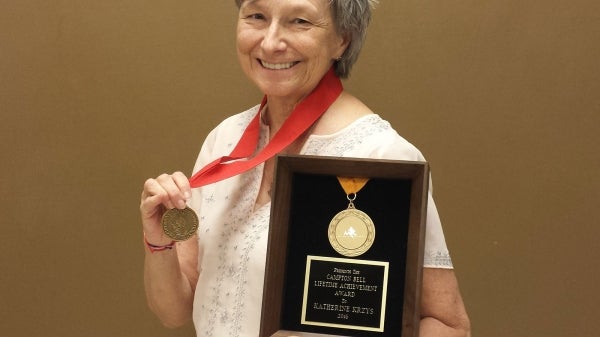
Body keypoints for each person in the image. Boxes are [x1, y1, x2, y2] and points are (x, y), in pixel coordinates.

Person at [140, 0, 471, 336]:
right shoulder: (224, 141)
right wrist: (159, 244)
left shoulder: (382, 157)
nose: (270, 42)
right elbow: (176, 310)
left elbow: (450, 327)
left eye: (299, 21)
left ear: (343, 38)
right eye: (257, 16)